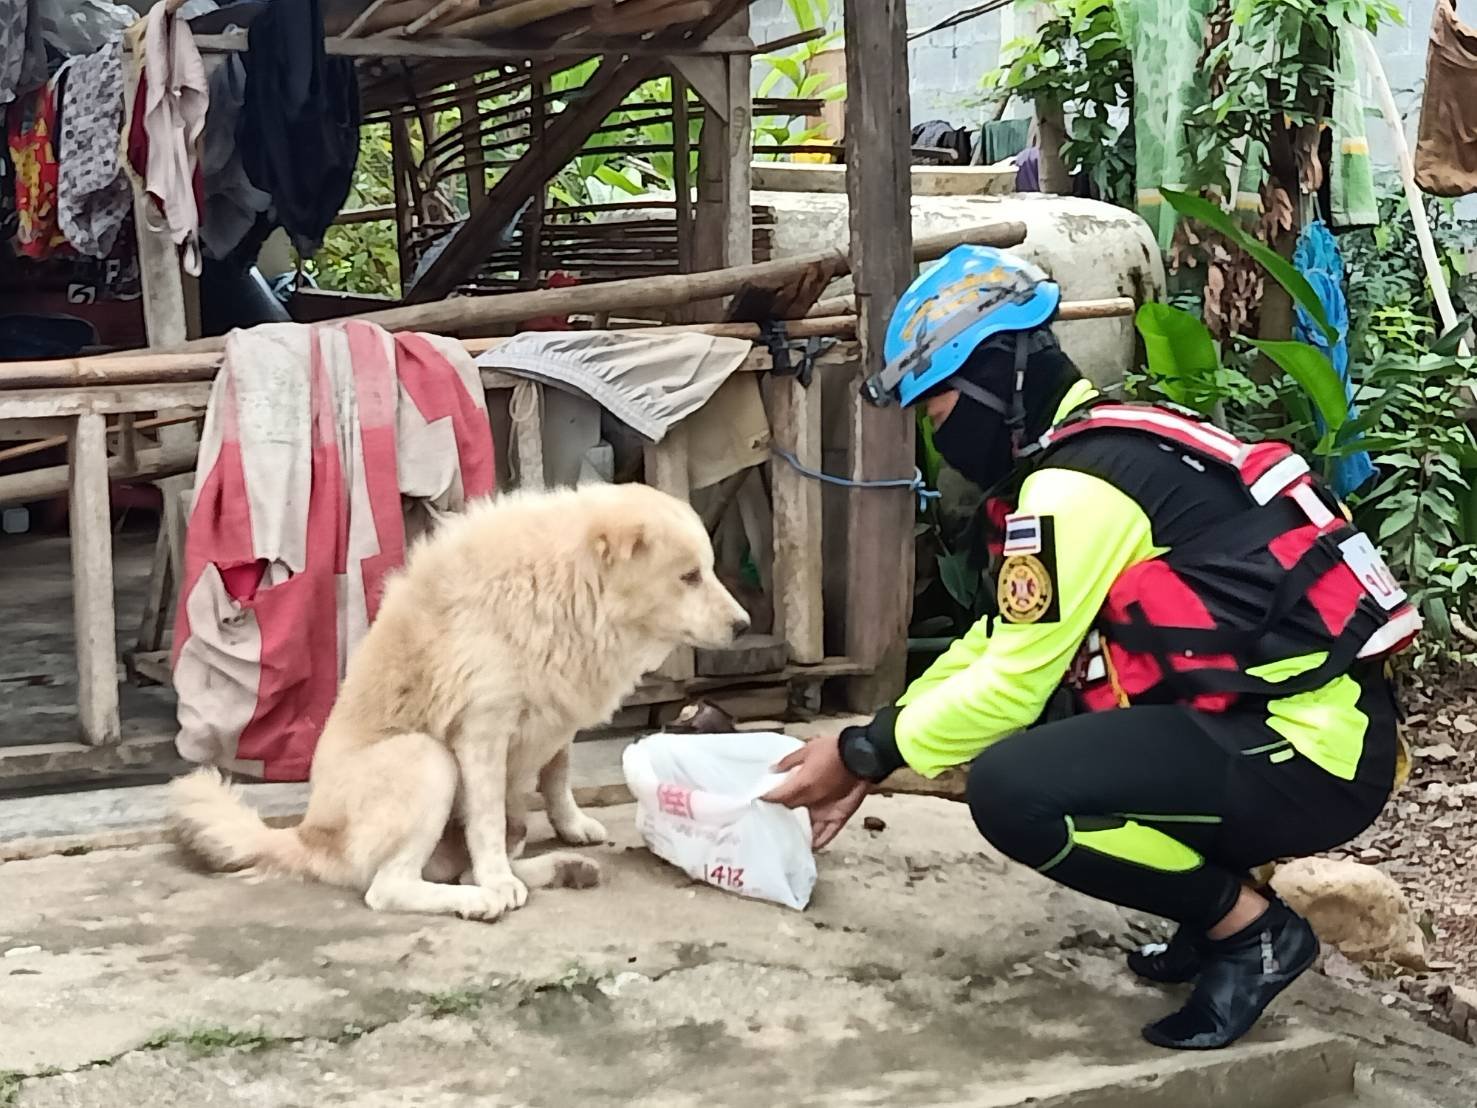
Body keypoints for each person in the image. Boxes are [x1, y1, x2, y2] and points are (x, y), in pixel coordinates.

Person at [764, 246, 1420, 1051]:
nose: (935, 442)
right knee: (1072, 721)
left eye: (933, 415)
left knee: (1018, 788)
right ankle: (1206, 915)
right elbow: (1000, 638)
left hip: (1310, 753)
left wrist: (863, 753)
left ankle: (1250, 931)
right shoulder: (1107, 445)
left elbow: (1008, 683)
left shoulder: (1069, 487)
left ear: (990, 382)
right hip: (1288, 729)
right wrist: (880, 733)